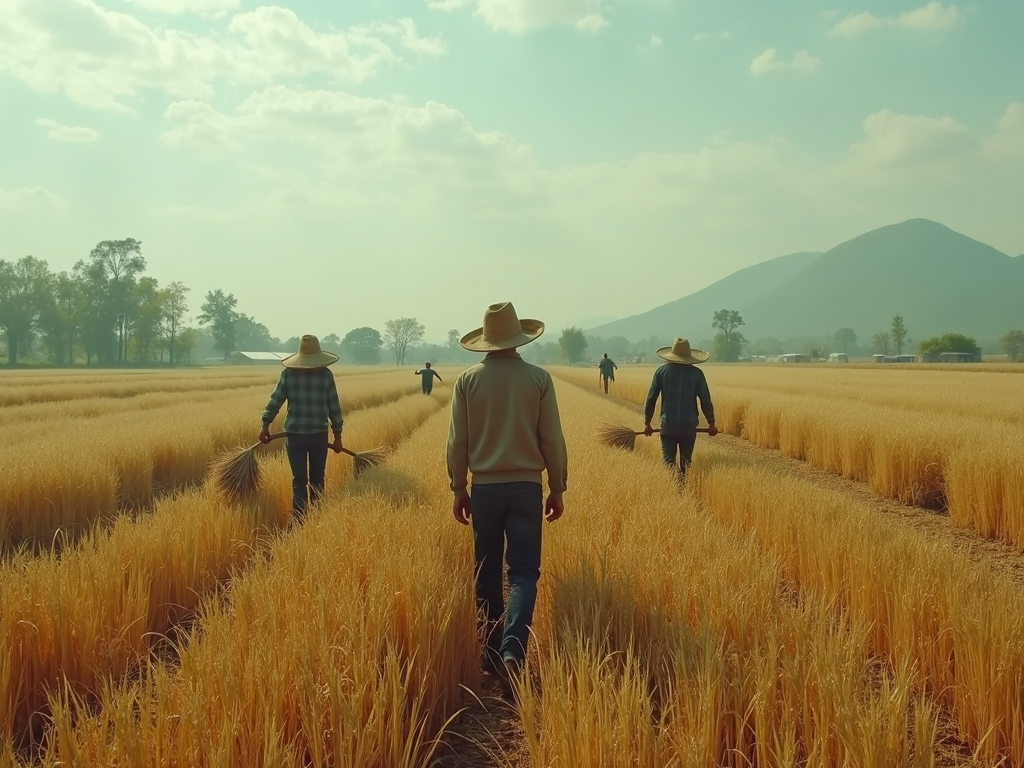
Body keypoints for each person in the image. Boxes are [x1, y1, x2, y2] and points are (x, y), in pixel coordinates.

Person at [447, 301, 568, 691]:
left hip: (483, 489)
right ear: (519, 338)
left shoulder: (467, 381)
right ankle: (514, 649)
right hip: (526, 488)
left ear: (486, 340)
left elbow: (457, 442)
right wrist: (558, 487)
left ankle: (490, 654)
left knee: (485, 570)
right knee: (522, 573)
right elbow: (551, 438)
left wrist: (458, 488)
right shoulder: (538, 379)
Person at [259, 335, 344, 523]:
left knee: (299, 481)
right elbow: (334, 406)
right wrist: (337, 436)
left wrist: (265, 425)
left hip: (295, 435)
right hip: (318, 436)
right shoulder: (326, 375)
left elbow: (275, 401)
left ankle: (298, 520)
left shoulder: (288, 374)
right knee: (317, 480)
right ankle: (317, 519)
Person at [643, 338, 718, 481]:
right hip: (688, 427)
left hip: (668, 426)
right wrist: (711, 423)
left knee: (668, 464)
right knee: (685, 464)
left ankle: (672, 494)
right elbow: (705, 400)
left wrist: (647, 423)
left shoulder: (661, 372)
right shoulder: (697, 374)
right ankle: (682, 490)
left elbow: (651, 398)